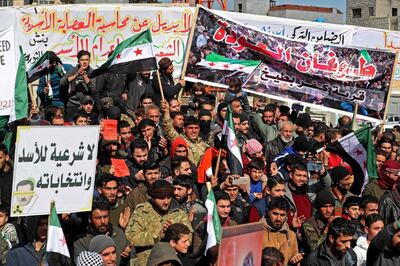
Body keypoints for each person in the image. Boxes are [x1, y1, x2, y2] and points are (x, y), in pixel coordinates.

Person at [125, 180, 192, 265]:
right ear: (153, 198)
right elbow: (131, 237)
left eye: (168, 197)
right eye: (161, 198)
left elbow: (189, 237)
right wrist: (157, 236)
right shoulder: (142, 211)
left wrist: (173, 233)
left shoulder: (179, 213)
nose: (166, 202)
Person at [73, 199, 130, 265]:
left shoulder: (118, 233)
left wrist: (127, 257)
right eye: (98, 218)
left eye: (105, 217)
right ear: (90, 219)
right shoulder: (82, 240)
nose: (103, 221)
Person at [192, 191, 237, 256]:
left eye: (228, 206)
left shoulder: (233, 225)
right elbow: (197, 255)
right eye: (222, 207)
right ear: (214, 207)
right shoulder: (203, 227)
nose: (226, 210)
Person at [262, 197, 303, 265]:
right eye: (275, 214)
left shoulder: (291, 235)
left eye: (282, 215)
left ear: (286, 216)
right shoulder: (258, 233)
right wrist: (280, 252)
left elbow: (294, 256)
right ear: (268, 212)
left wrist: (294, 260)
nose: (278, 218)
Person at [60, 50, 95, 122]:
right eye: (82, 60)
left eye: (87, 60)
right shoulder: (73, 70)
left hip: (86, 106)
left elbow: (93, 88)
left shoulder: (92, 72)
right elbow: (62, 82)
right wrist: (76, 75)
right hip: (73, 104)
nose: (84, 62)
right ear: (78, 61)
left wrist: (85, 76)